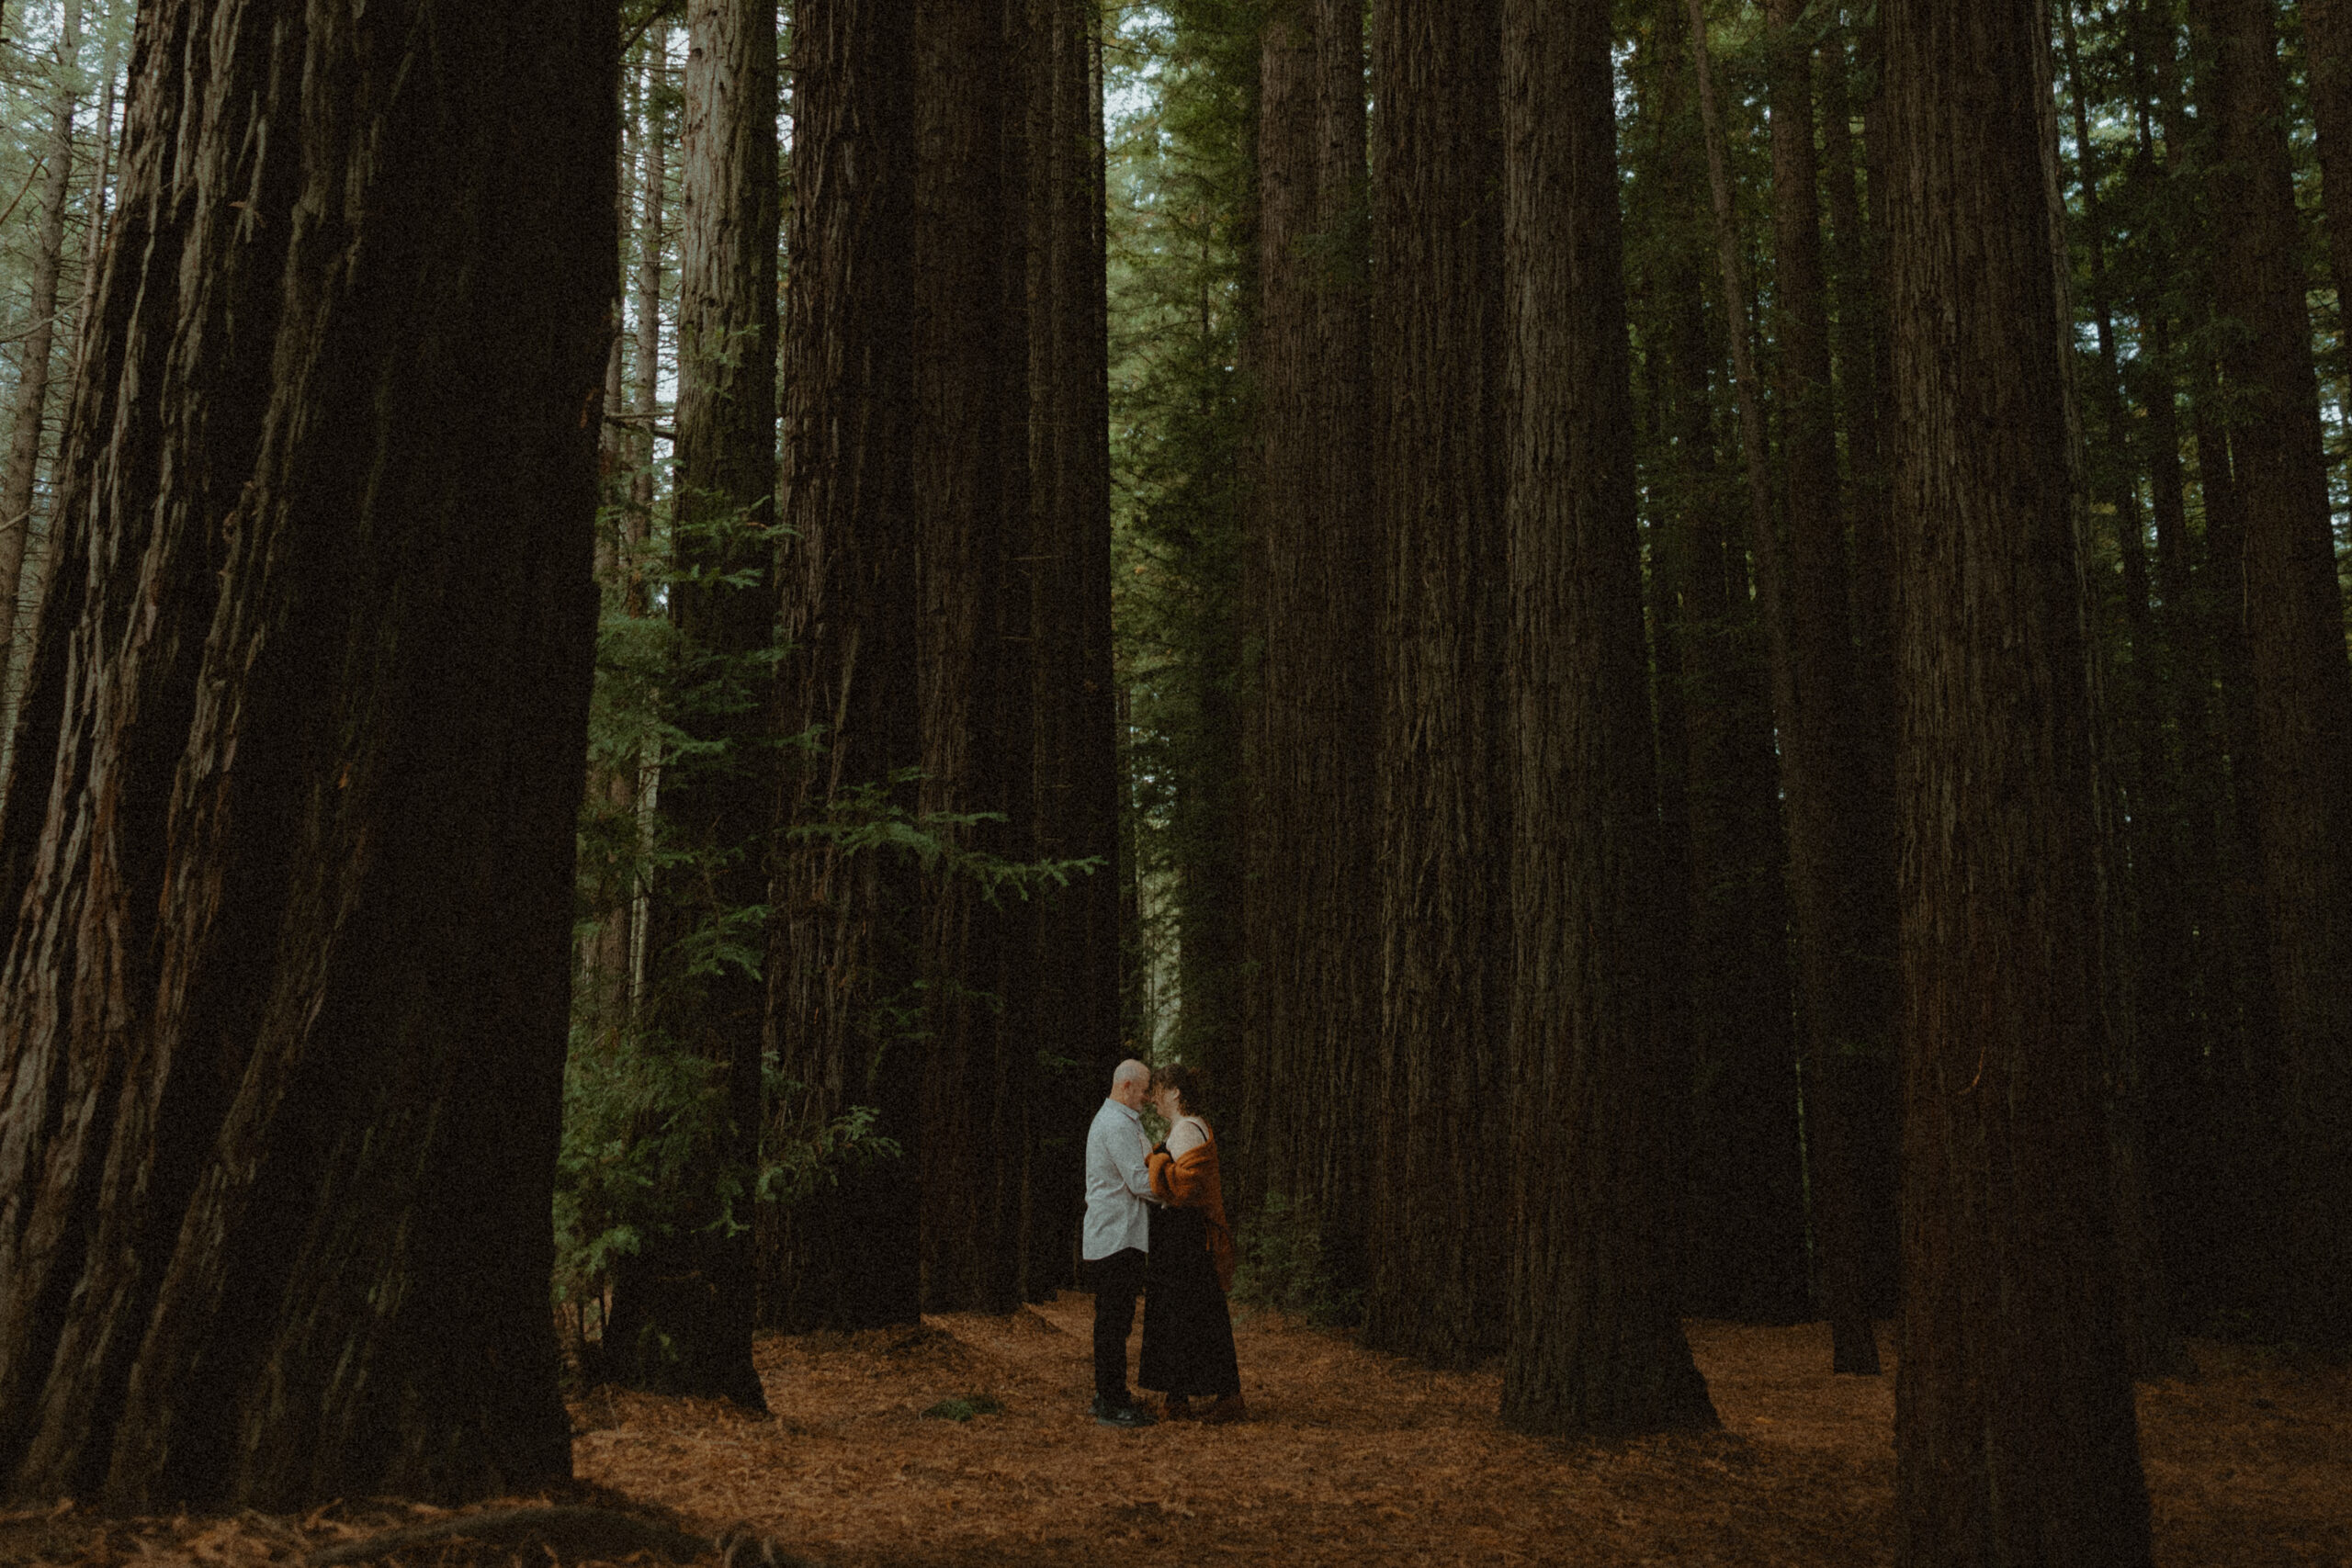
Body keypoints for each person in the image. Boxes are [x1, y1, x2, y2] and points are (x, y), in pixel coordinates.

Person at [1138, 1063, 1244, 1423]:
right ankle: (1189, 1396)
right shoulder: (1185, 1128)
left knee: (1183, 1314)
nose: (1153, 1098)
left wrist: (1156, 1160)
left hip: (1185, 1236)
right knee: (1192, 1314)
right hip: (1184, 1235)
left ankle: (1191, 1398)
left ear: (1176, 1093)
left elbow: (1182, 1187)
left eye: (1158, 1090)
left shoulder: (1186, 1131)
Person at [1082, 1058, 1159, 1427]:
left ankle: (1109, 1394)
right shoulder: (1114, 1123)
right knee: (1113, 1322)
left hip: (1119, 1235)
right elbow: (1139, 1180)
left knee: (1116, 1320)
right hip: (1115, 1237)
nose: (1146, 1096)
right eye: (1144, 1089)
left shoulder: (1122, 1120)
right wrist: (1179, 1191)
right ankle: (1111, 1401)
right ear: (1126, 1086)